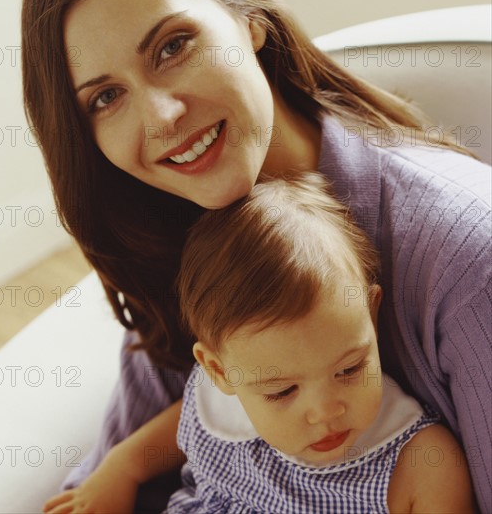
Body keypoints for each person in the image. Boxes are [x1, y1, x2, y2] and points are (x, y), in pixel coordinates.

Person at [21, 0, 491, 511]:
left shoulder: (466, 259)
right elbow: (105, 478)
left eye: (173, 46)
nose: (161, 118)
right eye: (105, 97)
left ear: (249, 21)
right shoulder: (175, 236)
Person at [43, 174, 476, 513]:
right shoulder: (217, 401)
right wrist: (120, 469)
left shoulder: (421, 464)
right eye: (281, 391)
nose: (326, 411)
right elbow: (179, 427)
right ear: (219, 372)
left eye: (349, 369)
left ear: (371, 313)